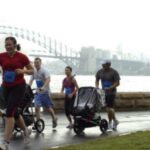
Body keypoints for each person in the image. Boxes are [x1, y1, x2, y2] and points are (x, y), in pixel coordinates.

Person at [0, 37, 34, 150]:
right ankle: (25, 131)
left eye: (10, 44)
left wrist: (23, 71)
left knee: (9, 112)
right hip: (6, 87)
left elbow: (32, 70)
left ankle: (5, 143)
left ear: (15, 45)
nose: (8, 46)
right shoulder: (2, 56)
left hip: (19, 87)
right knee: (14, 113)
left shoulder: (22, 57)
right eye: (6, 45)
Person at [29, 57, 57, 129]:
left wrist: (44, 87)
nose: (36, 64)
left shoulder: (44, 71)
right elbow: (31, 80)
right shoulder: (34, 71)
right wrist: (28, 87)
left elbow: (48, 79)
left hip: (45, 92)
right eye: (35, 63)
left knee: (48, 108)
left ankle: (54, 118)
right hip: (38, 92)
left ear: (40, 63)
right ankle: (38, 123)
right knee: (36, 108)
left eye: (37, 62)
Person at [95, 60, 120, 130]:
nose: (102, 65)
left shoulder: (114, 72)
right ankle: (115, 121)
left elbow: (117, 83)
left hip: (112, 92)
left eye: (104, 64)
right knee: (108, 109)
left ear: (109, 64)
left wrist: (110, 87)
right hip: (104, 92)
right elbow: (97, 80)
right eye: (102, 64)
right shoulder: (100, 71)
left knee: (109, 108)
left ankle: (110, 123)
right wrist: (97, 86)